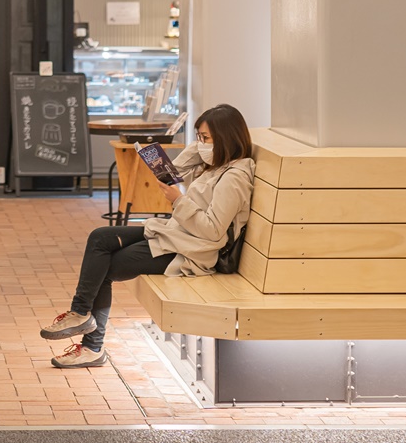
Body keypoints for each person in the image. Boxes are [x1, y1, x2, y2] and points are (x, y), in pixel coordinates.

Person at [39, 104, 255, 369]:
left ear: (226, 138)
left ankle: (91, 344)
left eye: (206, 138)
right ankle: (80, 314)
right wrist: (200, 147)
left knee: (105, 266)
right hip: (177, 234)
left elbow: (212, 230)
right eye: (199, 137)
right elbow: (172, 172)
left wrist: (179, 201)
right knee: (100, 237)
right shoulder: (214, 165)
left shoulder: (234, 178)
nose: (201, 144)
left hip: (192, 251)